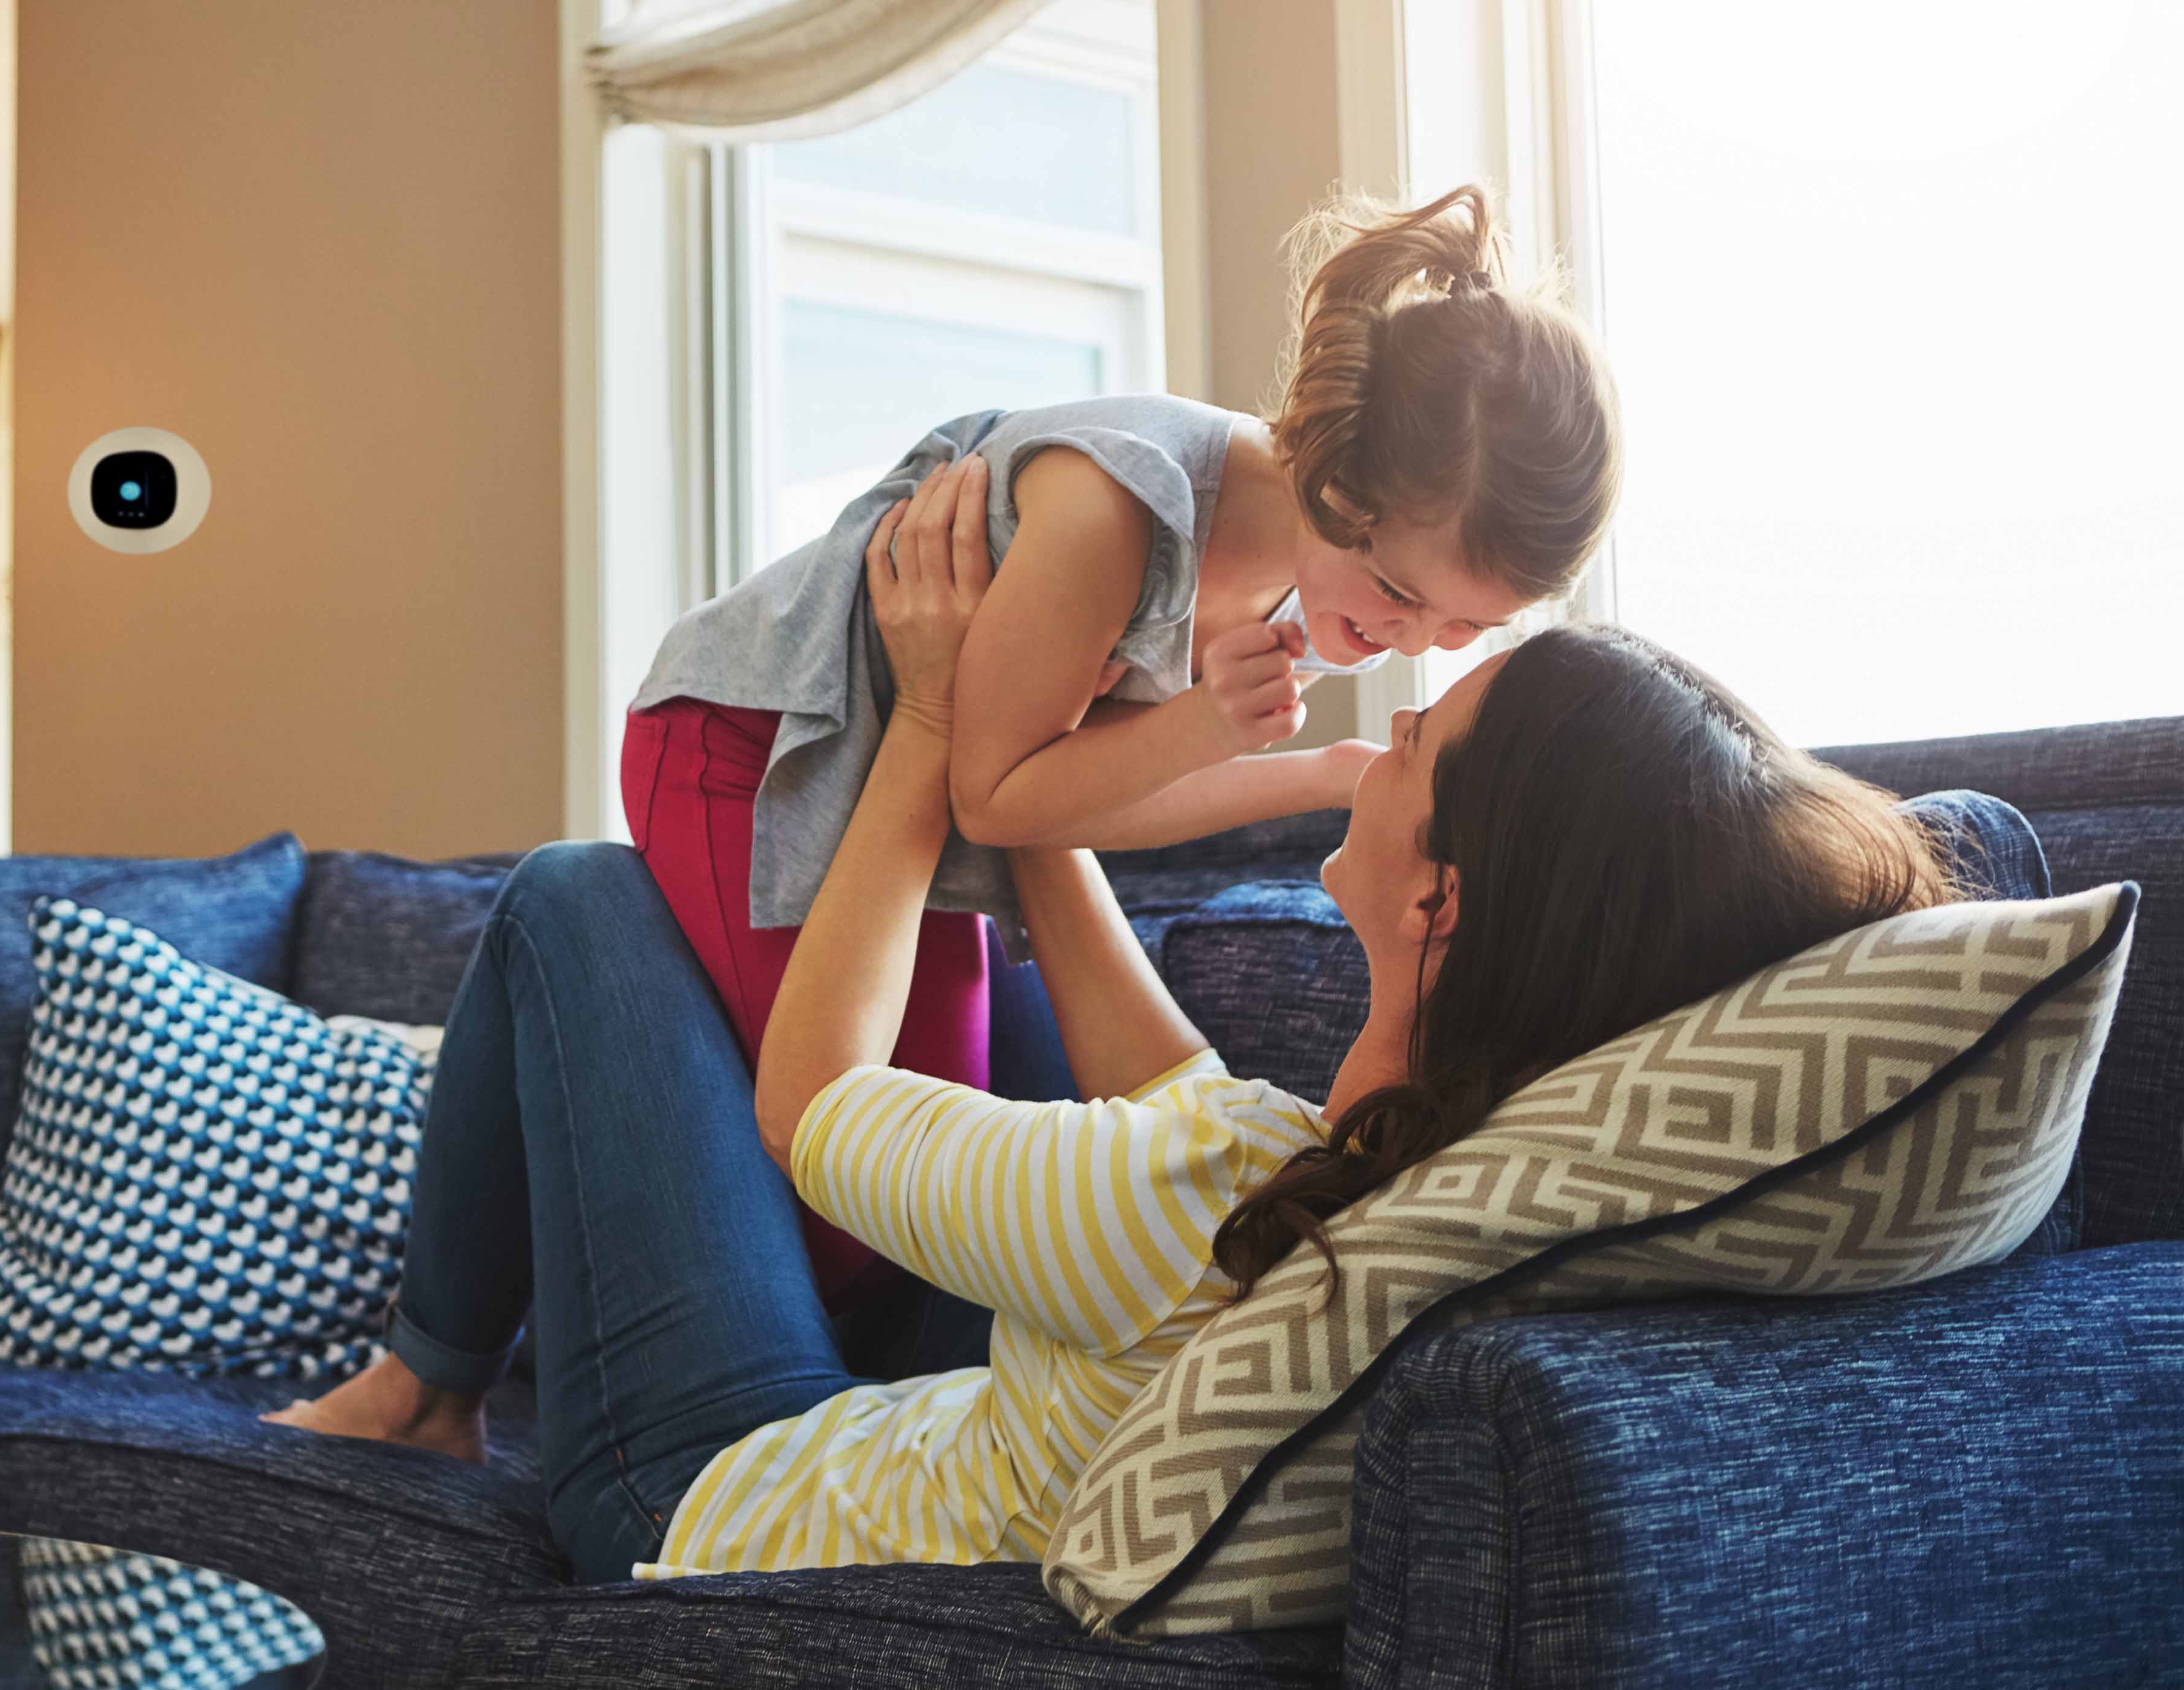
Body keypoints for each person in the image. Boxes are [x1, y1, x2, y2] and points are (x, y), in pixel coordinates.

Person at [270, 458, 1952, 1585]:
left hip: (715, 1486)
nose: (1391, 727)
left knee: (579, 895)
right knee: (1001, 981)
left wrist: (932, 722)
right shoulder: (1412, 1176)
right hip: (998, 1420)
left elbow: (816, 1099)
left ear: (1437, 900)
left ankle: (430, 1378)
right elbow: (1182, 1114)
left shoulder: (1185, 1205)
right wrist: (1028, 797)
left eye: (1425, 743)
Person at [621, 183, 1623, 1307]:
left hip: (910, 805)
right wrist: (1205, 729)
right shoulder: (1119, 513)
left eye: (1466, 627)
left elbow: (1063, 800)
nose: (1414, 643)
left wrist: (1330, 776)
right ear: (1328, 467)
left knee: (917, 1191)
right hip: (754, 749)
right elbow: (999, 799)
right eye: (1400, 592)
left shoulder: (1299, 565)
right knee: (845, 1200)